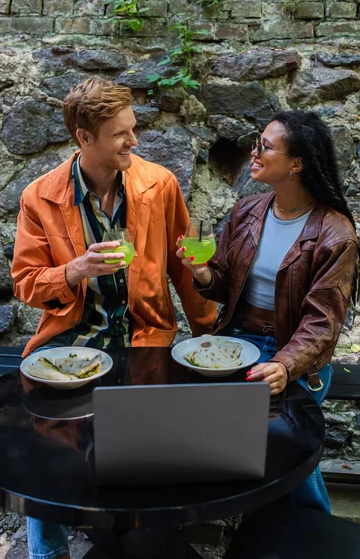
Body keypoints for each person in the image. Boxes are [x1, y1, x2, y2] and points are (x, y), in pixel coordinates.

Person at [11, 77, 216, 559]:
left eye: (134, 128)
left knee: (151, 454)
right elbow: (25, 282)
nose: (135, 141)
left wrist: (209, 335)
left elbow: (185, 269)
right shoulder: (39, 197)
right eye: (121, 134)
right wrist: (75, 270)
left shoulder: (158, 184)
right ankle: (49, 552)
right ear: (85, 138)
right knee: (47, 448)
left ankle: (142, 537)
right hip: (70, 346)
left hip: (146, 341)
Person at [177, 110, 360, 513]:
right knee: (192, 411)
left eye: (265, 146)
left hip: (295, 354)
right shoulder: (248, 211)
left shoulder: (334, 233)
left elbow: (323, 321)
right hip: (237, 343)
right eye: (256, 143)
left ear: (296, 163)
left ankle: (314, 529)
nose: (254, 152)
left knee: (281, 430)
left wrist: (284, 364)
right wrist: (201, 272)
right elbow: (225, 283)